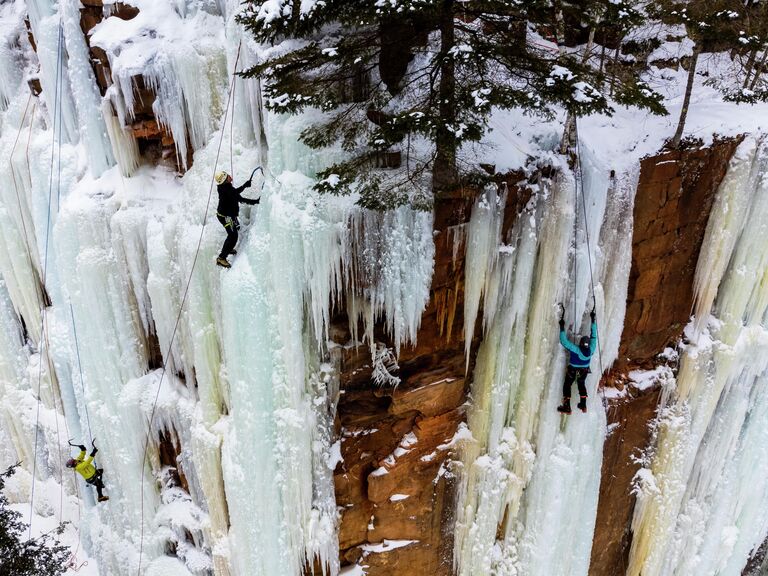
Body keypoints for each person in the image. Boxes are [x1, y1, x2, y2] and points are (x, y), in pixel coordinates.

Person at [214, 171, 260, 268]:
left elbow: (234, 193)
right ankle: (221, 258)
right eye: (227, 176)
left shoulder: (225, 188)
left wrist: (245, 186)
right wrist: (257, 201)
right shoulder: (228, 190)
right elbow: (241, 199)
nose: (230, 176)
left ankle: (228, 248)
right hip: (226, 217)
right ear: (225, 180)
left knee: (233, 233)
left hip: (224, 215)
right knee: (233, 235)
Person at [557, 307, 597, 415]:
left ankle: (567, 406)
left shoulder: (575, 349)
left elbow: (564, 341)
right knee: (581, 383)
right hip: (583, 371)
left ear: (580, 344)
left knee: (567, 385)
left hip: (572, 370)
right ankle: (583, 404)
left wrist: (561, 327)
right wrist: (593, 320)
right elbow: (594, 337)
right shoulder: (591, 350)